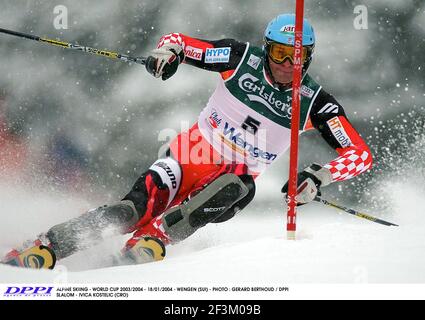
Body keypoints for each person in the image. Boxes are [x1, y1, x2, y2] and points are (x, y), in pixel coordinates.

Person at [2, 14, 372, 269]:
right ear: (266, 48)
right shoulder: (238, 58)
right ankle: (46, 247)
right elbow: (180, 43)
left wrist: (319, 176)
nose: (286, 65)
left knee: (240, 186)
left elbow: (360, 155)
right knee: (131, 211)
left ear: (309, 57)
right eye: (279, 54)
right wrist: (168, 53)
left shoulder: (314, 101)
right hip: (185, 159)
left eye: (297, 57)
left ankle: (155, 239)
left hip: (225, 184)